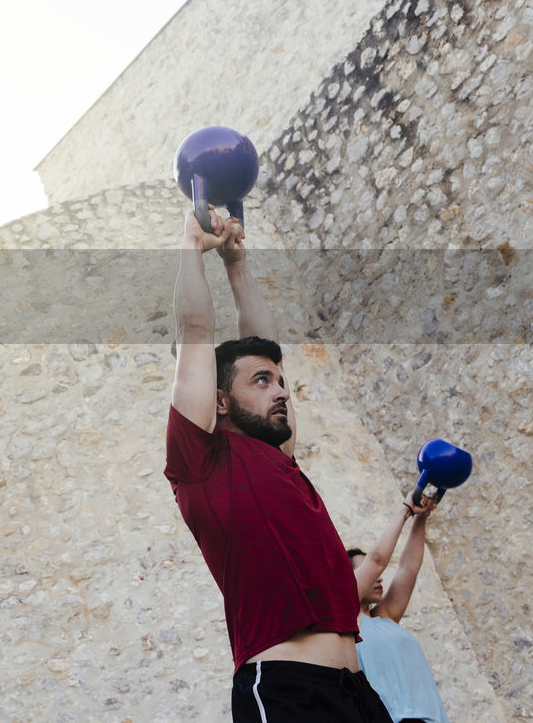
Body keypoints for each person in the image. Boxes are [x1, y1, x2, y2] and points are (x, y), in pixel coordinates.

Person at [165, 206, 393, 722]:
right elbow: (196, 327)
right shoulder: (201, 465)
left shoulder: (279, 456)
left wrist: (237, 264)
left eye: (280, 381)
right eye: (261, 383)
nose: (282, 390)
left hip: (358, 692)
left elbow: (271, 350)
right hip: (287, 690)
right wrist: (191, 246)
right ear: (221, 401)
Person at [349, 494, 451, 723]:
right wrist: (405, 510)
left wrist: (421, 519)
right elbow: (376, 560)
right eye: (365, 570)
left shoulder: (385, 618)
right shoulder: (348, 621)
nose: (378, 577)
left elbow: (408, 568)